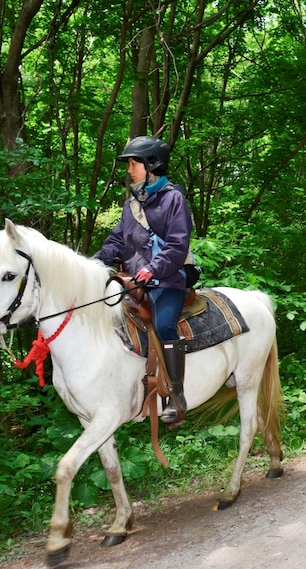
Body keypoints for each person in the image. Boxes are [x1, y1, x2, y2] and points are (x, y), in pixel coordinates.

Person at [94, 136, 194, 424]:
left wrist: (153, 268)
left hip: (168, 279)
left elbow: (177, 245)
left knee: (164, 325)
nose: (129, 169)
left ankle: (177, 396)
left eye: (133, 163)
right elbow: (116, 241)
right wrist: (95, 261)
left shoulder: (174, 199)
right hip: (133, 283)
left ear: (152, 165)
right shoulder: (131, 205)